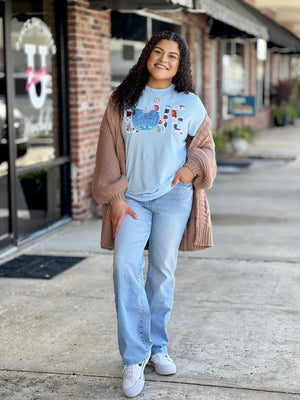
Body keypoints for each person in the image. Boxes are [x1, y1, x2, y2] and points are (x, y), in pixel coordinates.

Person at [93, 31, 216, 398]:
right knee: (125, 267)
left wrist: (191, 170)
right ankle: (134, 357)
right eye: (158, 52)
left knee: (162, 272)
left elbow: (206, 147)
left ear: (181, 65)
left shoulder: (190, 102)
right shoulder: (122, 99)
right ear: (147, 55)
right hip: (130, 200)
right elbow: (107, 152)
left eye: (172, 56)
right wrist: (114, 197)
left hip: (172, 199)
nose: (163, 59)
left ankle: (157, 347)